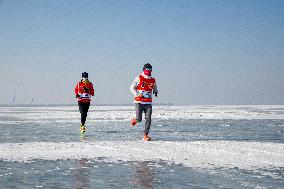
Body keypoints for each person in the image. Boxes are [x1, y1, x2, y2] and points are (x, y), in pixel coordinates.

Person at [130, 63, 158, 141]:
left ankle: (145, 135)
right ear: (144, 69)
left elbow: (154, 86)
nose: (149, 71)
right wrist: (137, 94)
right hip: (139, 102)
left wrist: (155, 91)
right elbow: (132, 88)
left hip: (148, 103)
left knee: (148, 119)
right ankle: (135, 120)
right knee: (139, 119)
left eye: (150, 69)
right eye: (147, 69)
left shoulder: (152, 79)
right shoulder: (139, 78)